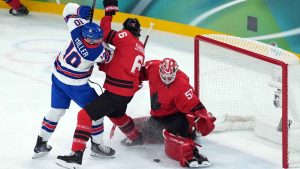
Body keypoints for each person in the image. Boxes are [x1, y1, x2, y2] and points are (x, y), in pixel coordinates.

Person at [56, 0, 145, 168]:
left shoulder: (125, 37)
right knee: (117, 116)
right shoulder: (140, 48)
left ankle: (76, 155)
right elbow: (123, 66)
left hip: (116, 92)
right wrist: (105, 64)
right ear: (138, 33)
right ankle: (136, 138)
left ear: (126, 30)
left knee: (85, 116)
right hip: (127, 93)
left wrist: (108, 14)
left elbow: (105, 33)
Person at [32, 2, 115, 160]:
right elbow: (111, 54)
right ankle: (97, 146)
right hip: (76, 86)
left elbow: (67, 9)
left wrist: (78, 10)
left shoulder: (76, 29)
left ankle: (40, 143)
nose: (98, 42)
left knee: (56, 111)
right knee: (97, 113)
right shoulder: (95, 53)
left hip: (57, 77)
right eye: (96, 40)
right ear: (90, 40)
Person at [136, 58, 216, 168]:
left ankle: (192, 150)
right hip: (157, 116)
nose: (167, 79)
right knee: (147, 134)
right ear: (160, 70)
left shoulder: (182, 83)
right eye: (164, 76)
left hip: (176, 116)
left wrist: (202, 117)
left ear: (176, 71)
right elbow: (136, 71)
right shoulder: (153, 67)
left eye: (170, 77)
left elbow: (193, 104)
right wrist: (131, 80)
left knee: (180, 130)